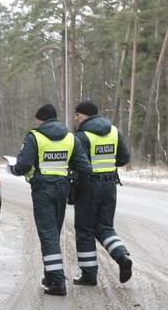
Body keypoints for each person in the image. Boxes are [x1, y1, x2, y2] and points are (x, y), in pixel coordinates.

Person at [10, 104, 91, 296]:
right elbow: (85, 166)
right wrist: (72, 178)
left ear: (41, 119)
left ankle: (56, 282)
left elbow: (22, 166)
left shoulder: (35, 136)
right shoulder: (71, 137)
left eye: (37, 120)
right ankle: (50, 275)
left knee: (48, 235)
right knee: (53, 232)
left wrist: (12, 169)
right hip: (62, 189)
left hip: (42, 190)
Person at [70, 100, 133, 285]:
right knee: (105, 227)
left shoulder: (82, 136)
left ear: (84, 115)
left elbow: (76, 163)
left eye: (77, 115)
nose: (75, 118)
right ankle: (122, 256)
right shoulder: (113, 131)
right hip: (110, 185)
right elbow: (124, 158)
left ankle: (89, 274)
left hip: (88, 187)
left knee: (85, 230)